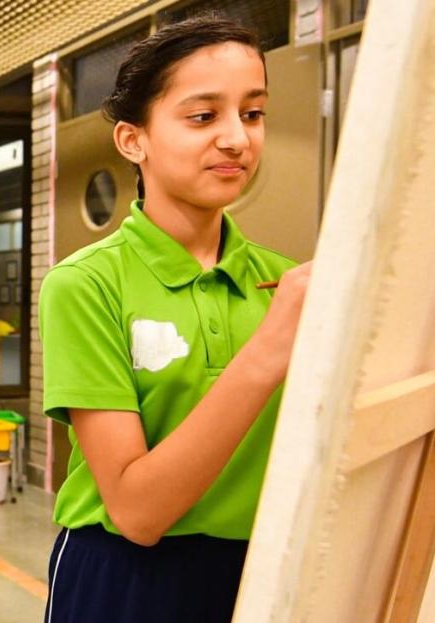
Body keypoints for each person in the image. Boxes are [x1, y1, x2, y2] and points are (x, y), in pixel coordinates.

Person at [39, 16, 314, 622]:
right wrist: (267, 353)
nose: (237, 138)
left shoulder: (285, 282)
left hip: (261, 573)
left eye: (253, 113)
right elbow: (137, 512)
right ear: (132, 140)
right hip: (128, 580)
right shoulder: (85, 285)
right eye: (203, 116)